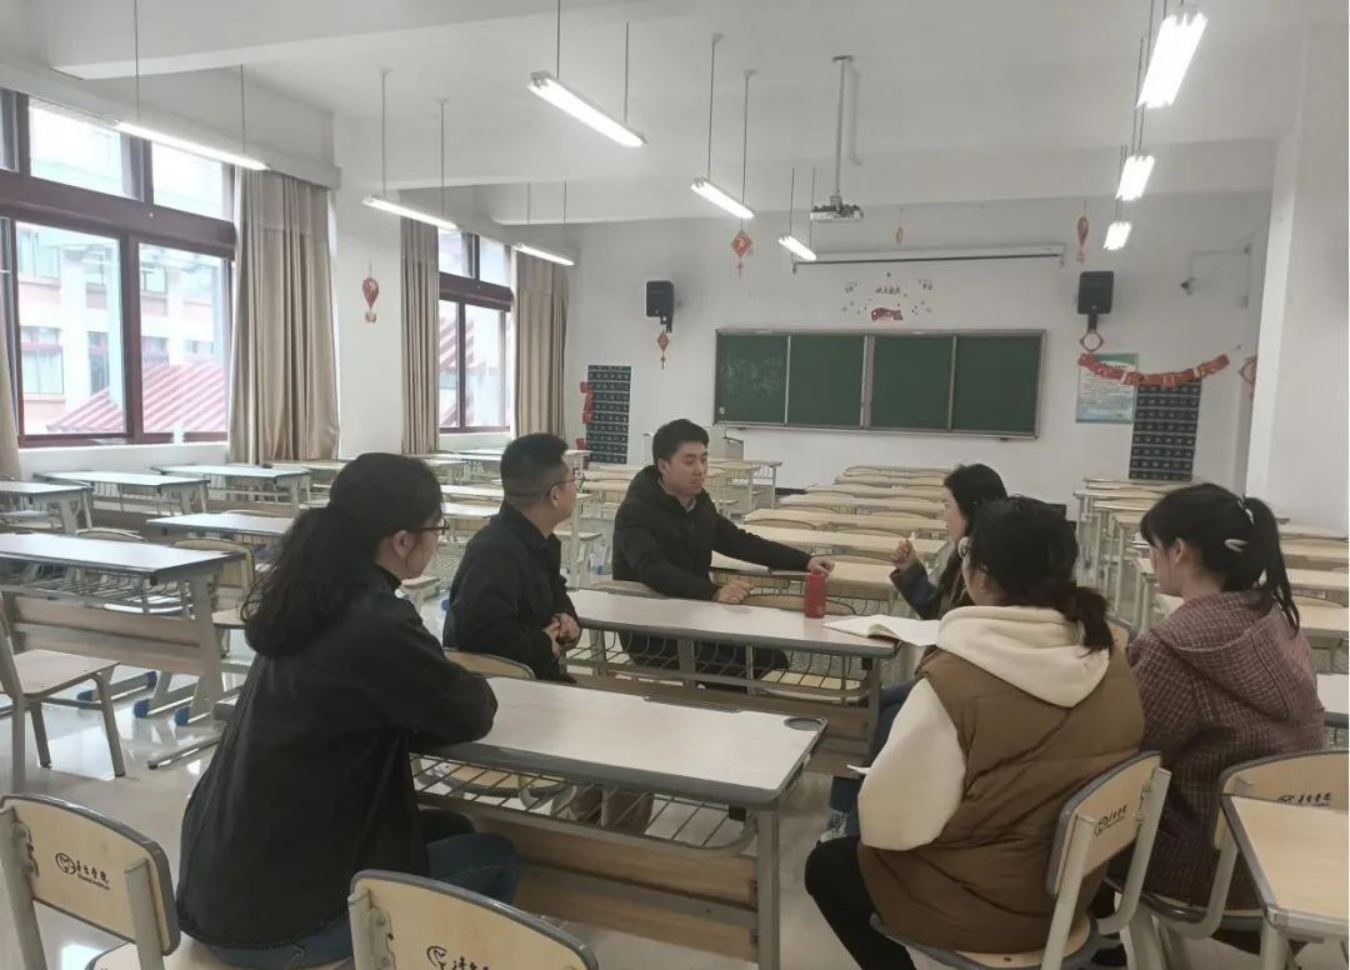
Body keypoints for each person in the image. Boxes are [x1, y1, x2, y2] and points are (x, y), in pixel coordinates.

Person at [177, 454, 518, 969]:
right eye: (436, 529)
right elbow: (471, 712)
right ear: (402, 541)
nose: (437, 540)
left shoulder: (309, 594)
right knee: (494, 858)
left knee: (452, 827)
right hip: (271, 931)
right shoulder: (375, 621)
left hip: (219, 891)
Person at [805, 497, 1143, 970]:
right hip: (1076, 889)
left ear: (979, 576)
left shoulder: (955, 682)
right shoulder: (1113, 662)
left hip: (987, 910)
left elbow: (889, 828)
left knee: (828, 867)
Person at [1091, 484, 1323, 967]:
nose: (1152, 559)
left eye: (1154, 548)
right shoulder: (1282, 621)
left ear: (1179, 550)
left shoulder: (1174, 648)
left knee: (1080, 809)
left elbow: (1124, 755)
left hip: (1207, 870)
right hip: (1290, 861)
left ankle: (1097, 951)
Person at [821, 463, 1007, 841]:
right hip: (943, 674)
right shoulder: (965, 555)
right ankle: (842, 812)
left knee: (890, 720)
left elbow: (962, 631)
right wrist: (911, 571)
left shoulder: (991, 568)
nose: (944, 514)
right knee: (866, 704)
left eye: (948, 506)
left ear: (972, 510)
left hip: (960, 684)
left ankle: (859, 832)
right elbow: (941, 611)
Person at [612, 418, 833, 682]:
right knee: (734, 678)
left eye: (704, 459)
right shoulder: (636, 511)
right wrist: (714, 592)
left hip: (696, 617)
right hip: (652, 631)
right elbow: (653, 570)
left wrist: (805, 561)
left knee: (772, 660)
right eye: (689, 461)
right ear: (663, 466)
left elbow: (739, 542)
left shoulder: (699, 504)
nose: (700, 470)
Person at [444, 432, 581, 682]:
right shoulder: (495, 553)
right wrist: (542, 644)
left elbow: (556, 590)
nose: (577, 489)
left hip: (536, 678)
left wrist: (566, 618)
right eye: (574, 479)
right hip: (503, 691)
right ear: (555, 495)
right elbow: (476, 636)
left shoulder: (541, 540)